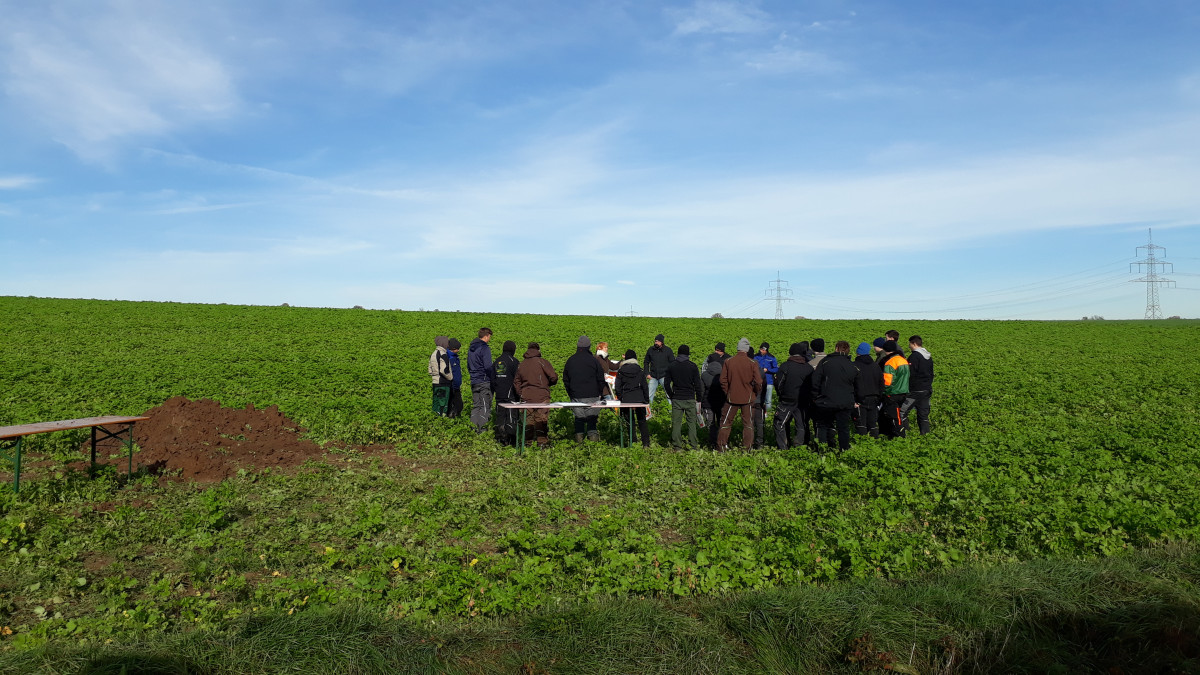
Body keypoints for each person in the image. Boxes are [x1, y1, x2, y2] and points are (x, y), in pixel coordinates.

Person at [716, 338, 763, 450]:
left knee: (726, 422)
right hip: (748, 398)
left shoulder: (728, 361)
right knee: (748, 424)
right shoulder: (753, 363)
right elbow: (758, 382)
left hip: (731, 398)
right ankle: (747, 448)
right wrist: (754, 392)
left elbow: (722, 380)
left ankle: (721, 446)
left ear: (738, 348)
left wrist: (728, 392)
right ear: (746, 349)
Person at [811, 341, 859, 451]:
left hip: (826, 401)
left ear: (836, 348)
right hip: (845, 402)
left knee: (822, 426)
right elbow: (857, 384)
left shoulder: (825, 362)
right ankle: (844, 450)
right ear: (847, 350)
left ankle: (822, 450)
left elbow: (815, 381)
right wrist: (855, 399)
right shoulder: (851, 365)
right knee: (843, 428)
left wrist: (815, 396)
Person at [514, 342, 558, 447]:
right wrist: (547, 385)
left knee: (528, 420)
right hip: (542, 395)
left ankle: (527, 443)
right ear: (538, 350)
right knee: (541, 419)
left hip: (526, 396)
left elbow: (516, 382)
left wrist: (521, 393)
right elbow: (554, 377)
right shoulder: (543, 362)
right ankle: (542, 443)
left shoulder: (522, 364)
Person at [564, 335, 605, 443]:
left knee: (579, 419)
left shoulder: (571, 360)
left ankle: (579, 444)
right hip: (592, 395)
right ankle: (593, 445)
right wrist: (599, 392)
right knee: (592, 420)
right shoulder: (594, 361)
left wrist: (571, 393)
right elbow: (601, 378)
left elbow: (566, 379)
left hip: (576, 395)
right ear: (589, 347)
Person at [773, 343, 813, 449]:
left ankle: (783, 446)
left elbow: (779, 383)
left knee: (779, 422)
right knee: (801, 423)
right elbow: (812, 385)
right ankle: (799, 445)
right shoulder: (808, 368)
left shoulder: (785, 366)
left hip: (787, 400)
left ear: (791, 353)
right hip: (803, 400)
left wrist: (781, 394)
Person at [664, 344, 703, 450]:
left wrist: (671, 395)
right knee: (691, 422)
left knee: (676, 423)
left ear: (678, 353)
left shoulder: (672, 366)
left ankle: (677, 445)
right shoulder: (692, 366)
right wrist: (699, 398)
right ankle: (693, 445)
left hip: (677, 398)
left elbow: (666, 384)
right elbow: (698, 384)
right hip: (690, 398)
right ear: (688, 354)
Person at [614, 349, 651, 448]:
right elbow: (644, 386)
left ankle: (633, 441)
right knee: (642, 421)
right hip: (639, 398)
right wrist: (646, 400)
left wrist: (621, 397)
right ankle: (646, 443)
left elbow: (617, 387)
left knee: (629, 421)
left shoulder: (621, 371)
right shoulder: (639, 370)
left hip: (626, 399)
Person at [903, 335, 934, 435]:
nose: (909, 346)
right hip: (926, 389)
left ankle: (904, 434)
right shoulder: (928, 356)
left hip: (916, 390)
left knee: (902, 411)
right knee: (923, 414)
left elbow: (910, 374)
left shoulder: (914, 356)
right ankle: (925, 435)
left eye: (910, 344)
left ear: (914, 344)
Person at [491, 340, 521, 445]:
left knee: (500, 416)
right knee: (511, 417)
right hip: (510, 395)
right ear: (513, 350)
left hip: (499, 394)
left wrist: (496, 389)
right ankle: (511, 440)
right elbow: (518, 379)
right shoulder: (514, 361)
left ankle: (500, 439)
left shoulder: (497, 361)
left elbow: (492, 378)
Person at [879, 340, 910, 439]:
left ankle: (898, 435)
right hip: (904, 392)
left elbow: (887, 382)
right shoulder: (903, 360)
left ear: (885, 350)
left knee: (893, 417)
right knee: (899, 415)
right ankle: (900, 433)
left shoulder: (890, 362)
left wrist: (884, 392)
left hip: (893, 393)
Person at [852, 342, 884, 437]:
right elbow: (881, 383)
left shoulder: (854, 366)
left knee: (861, 424)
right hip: (874, 398)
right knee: (873, 424)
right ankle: (875, 442)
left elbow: (852, 384)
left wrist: (854, 399)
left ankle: (862, 442)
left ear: (858, 353)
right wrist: (879, 397)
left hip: (860, 399)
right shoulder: (875, 366)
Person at [467, 328, 495, 434]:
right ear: (486, 336)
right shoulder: (484, 348)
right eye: (490, 337)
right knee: (485, 405)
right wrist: (492, 376)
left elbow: (468, 365)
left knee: (476, 405)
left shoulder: (471, 349)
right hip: (484, 380)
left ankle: (473, 429)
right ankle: (482, 430)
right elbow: (488, 366)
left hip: (474, 380)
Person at [702, 343, 729, 448]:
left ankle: (713, 443)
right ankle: (722, 442)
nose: (717, 351)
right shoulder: (724, 374)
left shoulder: (705, 375)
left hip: (708, 403)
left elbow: (701, 390)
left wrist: (700, 401)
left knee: (711, 424)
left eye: (719, 350)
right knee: (722, 422)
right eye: (716, 350)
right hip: (722, 401)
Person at [643, 334, 674, 416]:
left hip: (664, 376)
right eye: (655, 341)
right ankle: (648, 413)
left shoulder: (668, 350)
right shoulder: (651, 350)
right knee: (649, 395)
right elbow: (646, 362)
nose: (656, 342)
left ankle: (672, 411)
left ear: (662, 342)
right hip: (653, 376)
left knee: (669, 394)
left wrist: (669, 375)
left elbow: (672, 363)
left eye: (658, 341)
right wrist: (647, 373)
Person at [428, 336, 452, 416]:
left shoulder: (433, 354)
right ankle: (442, 420)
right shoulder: (443, 354)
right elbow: (444, 370)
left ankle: (434, 419)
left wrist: (434, 375)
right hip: (443, 383)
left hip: (435, 382)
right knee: (443, 404)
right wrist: (450, 378)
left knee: (436, 403)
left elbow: (429, 369)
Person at [754, 342, 779, 410]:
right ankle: (759, 411)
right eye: (761, 349)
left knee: (768, 400)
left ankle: (768, 414)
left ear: (767, 350)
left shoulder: (772, 358)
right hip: (758, 381)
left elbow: (776, 369)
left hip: (768, 381)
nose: (762, 351)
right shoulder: (755, 357)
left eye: (763, 350)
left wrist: (768, 370)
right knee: (758, 399)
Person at [446, 338, 464, 418]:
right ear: (453, 349)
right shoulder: (449, 358)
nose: (459, 350)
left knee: (457, 404)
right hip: (452, 385)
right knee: (456, 404)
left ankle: (453, 417)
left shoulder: (455, 357)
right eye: (457, 349)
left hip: (456, 384)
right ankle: (452, 417)